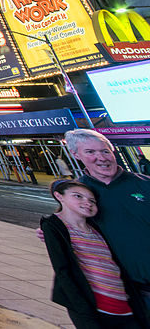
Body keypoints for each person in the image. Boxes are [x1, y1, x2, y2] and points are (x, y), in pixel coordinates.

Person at [64, 129, 150, 315]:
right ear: (76, 155)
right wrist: (48, 231)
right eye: (90, 152)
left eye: (105, 151)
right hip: (126, 294)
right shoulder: (77, 194)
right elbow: (67, 229)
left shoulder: (145, 184)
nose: (101, 157)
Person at [41, 179, 146, 328]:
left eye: (92, 201)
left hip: (123, 305)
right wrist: (82, 309)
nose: (88, 202)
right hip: (94, 307)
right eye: (78, 196)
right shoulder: (54, 226)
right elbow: (63, 270)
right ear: (59, 196)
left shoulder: (97, 227)